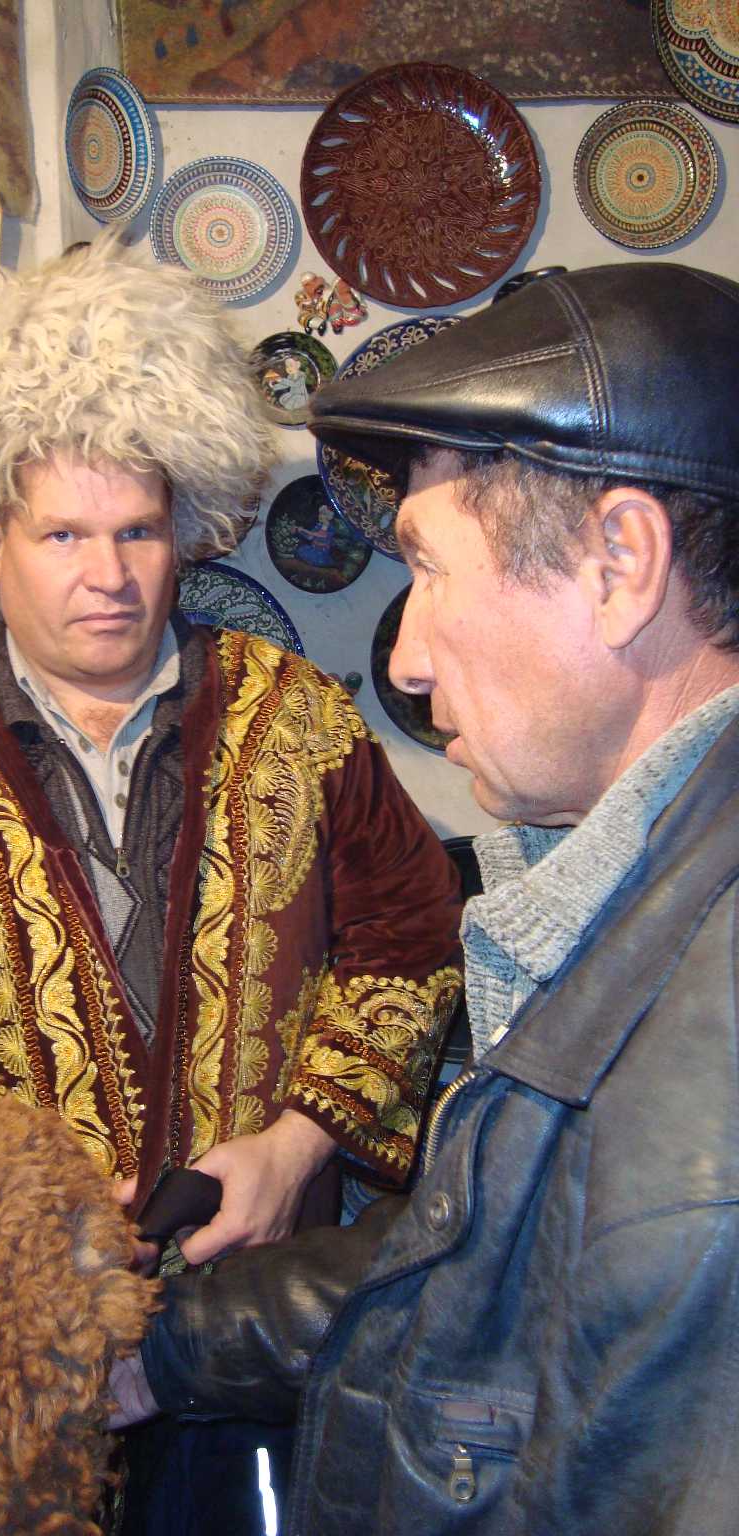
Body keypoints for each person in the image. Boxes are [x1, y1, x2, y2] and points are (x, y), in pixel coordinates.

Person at [0, 240, 462, 1531]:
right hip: (20, 1355)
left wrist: (296, 1144)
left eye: (138, 530)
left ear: (179, 527)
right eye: (64, 534)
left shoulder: (296, 718)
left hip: (266, 1327)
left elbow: (408, 944)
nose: (109, 574)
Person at [110, 261, 739, 1536]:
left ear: (620, 563)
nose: (399, 657)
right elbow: (492, 1274)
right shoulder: (635, 892)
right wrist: (161, 1345)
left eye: (429, 567)